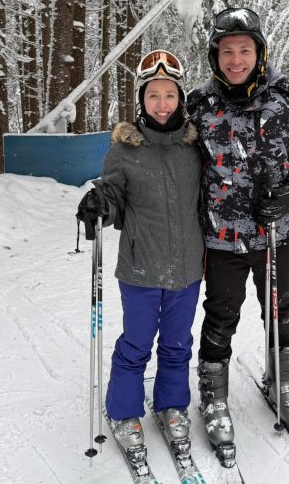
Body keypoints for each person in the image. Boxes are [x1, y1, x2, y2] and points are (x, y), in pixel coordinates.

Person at [187, 7, 289, 460]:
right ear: (215, 56)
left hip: (276, 234)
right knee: (221, 312)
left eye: (244, 50)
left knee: (278, 308)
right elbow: (168, 157)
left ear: (259, 53)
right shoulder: (199, 105)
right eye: (227, 51)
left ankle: (281, 380)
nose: (235, 60)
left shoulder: (287, 99)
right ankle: (213, 394)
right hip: (221, 238)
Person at [77, 50, 204, 451]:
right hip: (140, 268)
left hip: (188, 267)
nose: (162, 104)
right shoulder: (124, 150)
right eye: (154, 96)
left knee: (178, 343)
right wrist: (98, 204)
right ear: (141, 100)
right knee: (137, 342)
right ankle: (123, 410)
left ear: (180, 99)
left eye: (170, 95)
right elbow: (112, 196)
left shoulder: (194, 147)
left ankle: (171, 405)